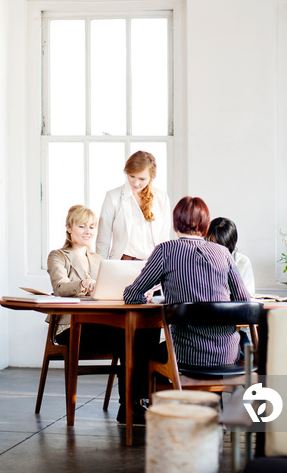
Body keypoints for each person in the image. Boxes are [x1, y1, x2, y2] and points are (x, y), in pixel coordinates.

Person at [123, 197, 251, 368]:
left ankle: (147, 395)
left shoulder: (165, 250)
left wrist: (146, 299)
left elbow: (131, 295)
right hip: (227, 355)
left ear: (175, 224)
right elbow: (244, 301)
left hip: (183, 354)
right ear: (206, 226)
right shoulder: (223, 253)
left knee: (142, 347)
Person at [47, 204, 145, 424]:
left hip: (100, 325)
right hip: (70, 329)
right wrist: (82, 284)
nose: (88, 231)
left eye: (91, 226)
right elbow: (60, 287)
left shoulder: (99, 259)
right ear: (69, 228)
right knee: (127, 337)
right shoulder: (58, 256)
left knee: (135, 335)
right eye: (82, 226)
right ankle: (129, 406)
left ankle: (132, 405)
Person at [96, 150, 171, 261]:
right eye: (132, 176)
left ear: (152, 177)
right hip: (123, 264)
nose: (136, 183)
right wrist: (99, 271)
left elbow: (164, 238)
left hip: (153, 266)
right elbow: (103, 240)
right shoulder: (113, 197)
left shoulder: (161, 197)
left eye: (142, 179)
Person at [206, 217, 255, 296]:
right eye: (211, 243)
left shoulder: (242, 262)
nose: (215, 250)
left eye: (220, 246)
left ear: (229, 245)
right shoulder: (199, 260)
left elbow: (247, 295)